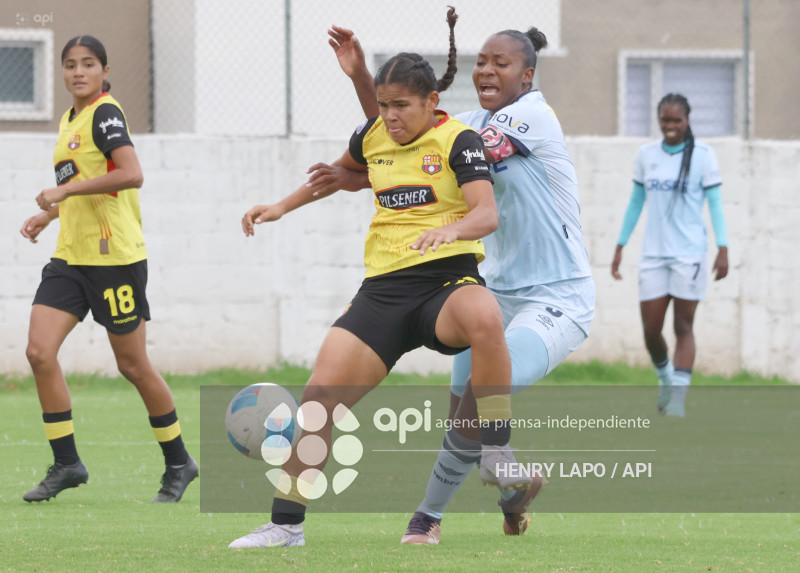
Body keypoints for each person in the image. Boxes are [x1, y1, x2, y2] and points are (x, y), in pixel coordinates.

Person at [228, 14, 532, 549]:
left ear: (431, 103)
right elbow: (337, 175)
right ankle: (285, 525)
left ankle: (497, 449)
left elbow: (486, 215)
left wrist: (451, 229)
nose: (389, 118)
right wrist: (279, 207)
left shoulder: (460, 140)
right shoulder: (374, 135)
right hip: (384, 291)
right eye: (384, 106)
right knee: (320, 398)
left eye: (401, 107)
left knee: (485, 314)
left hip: (446, 281)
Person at [322, 14, 595, 544]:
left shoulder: (533, 117)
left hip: (557, 297)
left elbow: (430, 134)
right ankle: (513, 487)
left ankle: (427, 519)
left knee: (477, 395)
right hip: (489, 291)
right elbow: (396, 125)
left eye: (502, 63)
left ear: (528, 76)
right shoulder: (465, 123)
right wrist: (360, 78)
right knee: (465, 412)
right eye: (483, 62)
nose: (487, 70)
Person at [19, 35, 198, 503]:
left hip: (114, 259)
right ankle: (66, 464)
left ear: (104, 69)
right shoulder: (69, 119)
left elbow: (131, 173)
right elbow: (85, 185)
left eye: (88, 64)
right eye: (70, 65)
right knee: (39, 352)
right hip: (70, 258)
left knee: (133, 365)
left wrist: (62, 194)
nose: (78, 72)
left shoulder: (106, 112)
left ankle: (179, 462)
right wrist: (50, 214)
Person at [612, 93, 728, 418]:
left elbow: (716, 204)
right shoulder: (646, 155)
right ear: (658, 120)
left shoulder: (704, 156)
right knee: (651, 330)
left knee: (683, 326)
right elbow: (636, 202)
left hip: (689, 255)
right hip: (653, 256)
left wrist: (723, 247)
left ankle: (677, 399)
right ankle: (665, 378)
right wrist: (620, 245)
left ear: (687, 121)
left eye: (677, 120)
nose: (671, 126)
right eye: (666, 120)